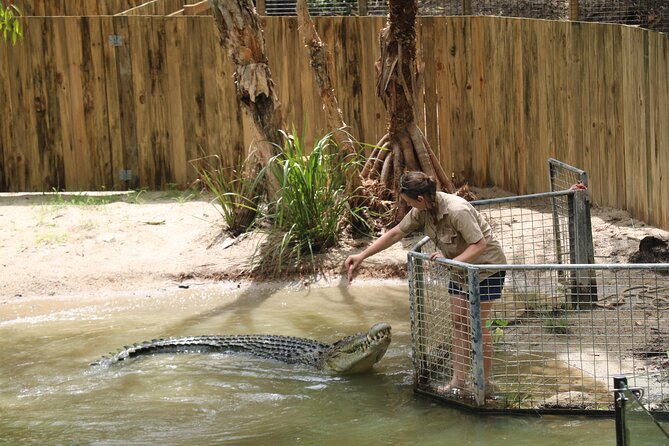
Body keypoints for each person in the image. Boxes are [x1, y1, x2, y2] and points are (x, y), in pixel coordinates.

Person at [344, 171, 507, 396]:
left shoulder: (457, 210)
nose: (407, 205)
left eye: (409, 201)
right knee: (459, 322)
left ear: (420, 199)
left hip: (487, 270)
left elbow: (479, 245)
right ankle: (458, 382)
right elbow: (395, 233)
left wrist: (450, 262)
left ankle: (482, 384)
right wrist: (362, 256)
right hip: (459, 269)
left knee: (477, 325)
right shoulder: (423, 211)